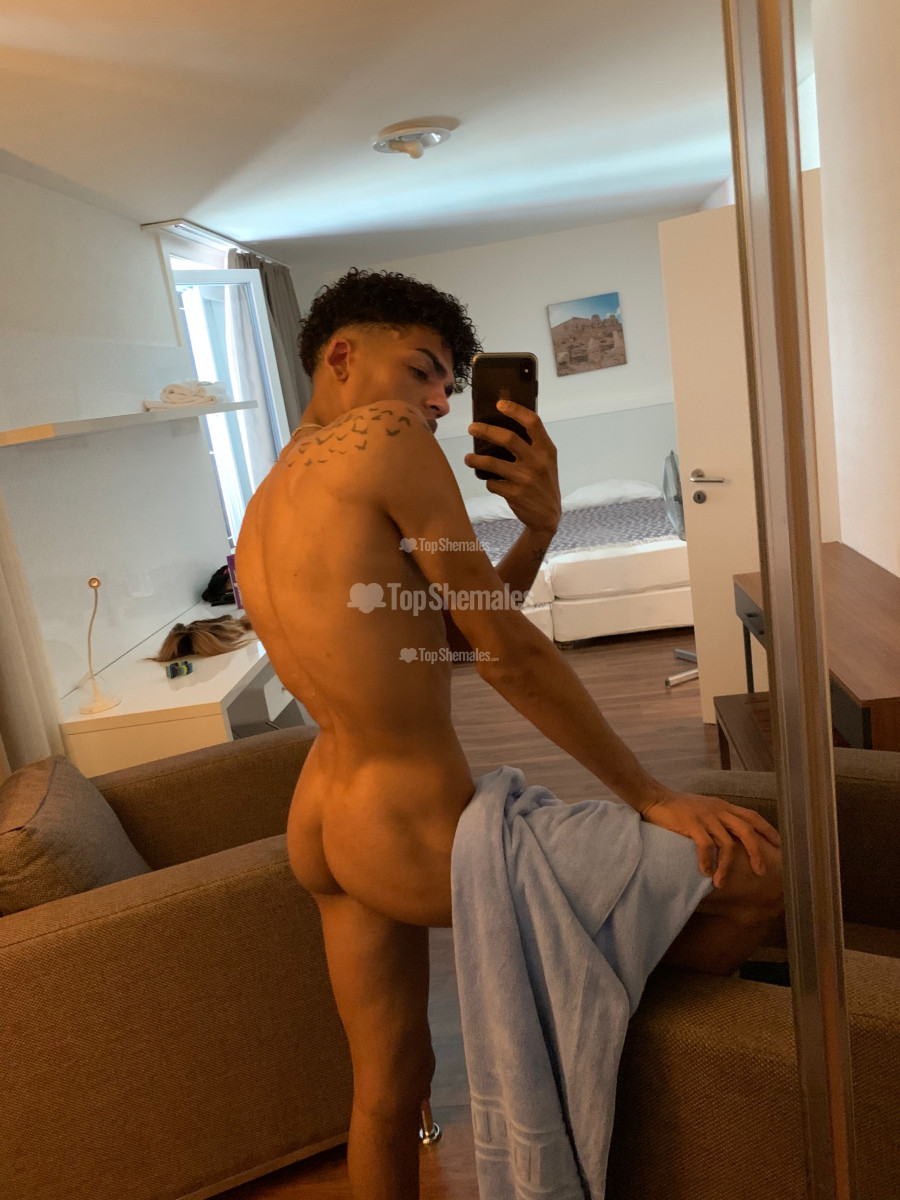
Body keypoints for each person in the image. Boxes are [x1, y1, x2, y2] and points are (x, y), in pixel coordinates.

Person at [235, 268, 783, 1200]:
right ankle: (616, 1050)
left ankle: (594, 1013)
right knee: (754, 872)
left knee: (387, 1092)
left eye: (450, 384)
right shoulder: (387, 437)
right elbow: (506, 656)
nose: (440, 402)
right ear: (342, 357)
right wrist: (652, 794)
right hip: (407, 827)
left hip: (324, 821)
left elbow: (450, 636)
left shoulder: (270, 495)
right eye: (423, 370)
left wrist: (540, 529)